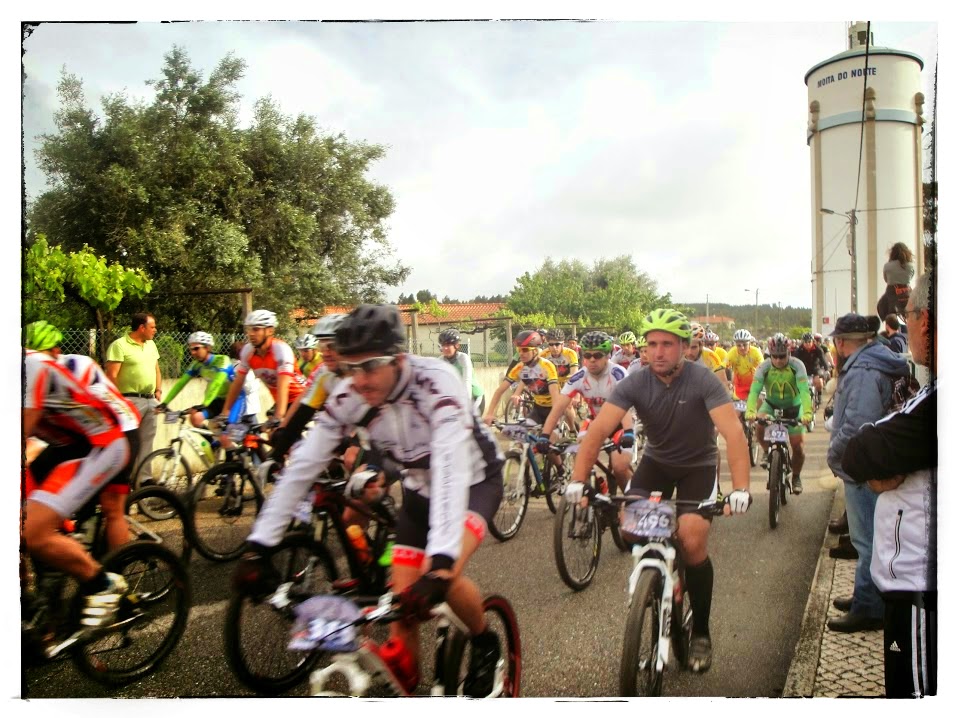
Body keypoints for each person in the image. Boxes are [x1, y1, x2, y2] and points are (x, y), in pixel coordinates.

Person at [233, 304, 505, 697]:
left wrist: (441, 565)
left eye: (370, 366)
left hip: (473, 483)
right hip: (418, 489)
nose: (358, 380)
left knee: (439, 577)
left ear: (398, 358)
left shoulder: (436, 381)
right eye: (349, 368)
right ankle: (405, 681)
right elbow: (305, 463)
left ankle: (484, 641)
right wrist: (259, 546)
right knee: (401, 603)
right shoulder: (352, 392)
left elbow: (450, 465)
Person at [566, 308, 752, 673]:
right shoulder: (636, 381)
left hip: (698, 465)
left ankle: (701, 632)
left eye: (667, 344)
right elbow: (598, 431)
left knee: (692, 538)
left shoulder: (703, 380)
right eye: (652, 344)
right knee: (630, 525)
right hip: (657, 462)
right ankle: (660, 576)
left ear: (683, 346)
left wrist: (741, 489)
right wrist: (577, 480)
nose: (658, 352)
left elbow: (733, 434)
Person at [841, 271, 936, 698]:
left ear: (926, 322)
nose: (906, 324)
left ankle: (866, 605)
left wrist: (879, 464)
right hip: (916, 579)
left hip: (919, 586)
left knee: (914, 691)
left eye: (909, 314)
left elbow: (860, 449)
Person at [22, 322, 137, 634]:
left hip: (108, 438)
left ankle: (108, 581)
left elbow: (24, 430)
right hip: (67, 443)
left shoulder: (36, 365)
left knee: (109, 510)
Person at [825, 313, 909, 633]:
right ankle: (866, 595)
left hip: (862, 465)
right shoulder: (877, 359)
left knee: (867, 541)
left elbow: (856, 427)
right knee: (871, 538)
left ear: (843, 342)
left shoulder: (862, 371)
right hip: (876, 460)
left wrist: (835, 457)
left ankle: (869, 608)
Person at [538, 331, 633, 489]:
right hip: (595, 421)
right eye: (587, 355)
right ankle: (593, 491)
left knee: (619, 467)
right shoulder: (579, 377)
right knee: (581, 463)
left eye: (597, 355)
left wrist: (629, 431)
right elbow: (558, 407)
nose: (592, 360)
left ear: (607, 356)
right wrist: (545, 435)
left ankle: (631, 499)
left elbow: (625, 406)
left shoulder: (618, 374)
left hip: (621, 423)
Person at [745, 333, 813, 494]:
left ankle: (796, 476)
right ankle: (766, 451)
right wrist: (750, 410)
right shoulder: (764, 367)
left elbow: (804, 391)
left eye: (782, 356)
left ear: (789, 353)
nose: (778, 360)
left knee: (798, 447)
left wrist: (807, 413)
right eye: (774, 356)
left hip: (794, 407)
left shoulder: (798, 366)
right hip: (771, 405)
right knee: (760, 427)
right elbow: (754, 391)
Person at [217, 309, 306, 432]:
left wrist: (278, 417)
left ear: (270, 330)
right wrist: (225, 413)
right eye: (248, 329)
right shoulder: (248, 351)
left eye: (256, 329)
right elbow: (237, 383)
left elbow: (283, 386)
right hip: (281, 401)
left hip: (300, 398)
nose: (251, 334)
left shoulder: (281, 350)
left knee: (279, 435)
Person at [105, 312, 161, 488]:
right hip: (129, 400)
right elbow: (112, 375)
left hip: (150, 399)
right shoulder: (119, 345)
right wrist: (118, 400)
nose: (155, 330)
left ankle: (144, 480)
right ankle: (124, 481)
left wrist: (158, 389)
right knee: (129, 443)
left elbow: (156, 369)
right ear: (141, 327)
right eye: (152, 327)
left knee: (147, 441)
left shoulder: (151, 345)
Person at [484, 330, 560, 429]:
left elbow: (555, 394)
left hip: (554, 406)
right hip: (538, 408)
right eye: (518, 350)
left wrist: (555, 416)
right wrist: (489, 414)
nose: (521, 353)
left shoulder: (547, 366)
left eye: (525, 350)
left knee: (549, 436)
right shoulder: (519, 368)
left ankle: (571, 430)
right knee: (522, 433)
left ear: (535, 351)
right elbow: (499, 391)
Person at [157, 332, 235, 428]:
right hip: (217, 400)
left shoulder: (222, 360)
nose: (193, 352)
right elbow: (181, 383)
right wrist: (165, 403)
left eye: (196, 348)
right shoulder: (197, 365)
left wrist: (205, 404)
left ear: (207, 348)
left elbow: (216, 383)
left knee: (227, 432)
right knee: (195, 418)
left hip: (234, 400)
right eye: (191, 349)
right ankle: (211, 438)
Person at [438, 328, 486, 415]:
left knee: (470, 421)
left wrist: (465, 404)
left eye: (448, 345)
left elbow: (466, 381)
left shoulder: (463, 358)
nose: (445, 348)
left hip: (473, 397)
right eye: (443, 345)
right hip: (455, 400)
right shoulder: (440, 361)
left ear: (456, 346)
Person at [877, 242, 915, 320]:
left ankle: (890, 323)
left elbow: (886, 279)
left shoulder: (887, 266)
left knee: (881, 306)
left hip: (892, 293)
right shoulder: (911, 266)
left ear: (892, 253)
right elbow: (911, 277)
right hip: (907, 293)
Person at [792, 332, 829, 408]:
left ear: (812, 341)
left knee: (819, 382)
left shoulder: (818, 349)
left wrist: (827, 369)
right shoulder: (799, 350)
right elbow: (794, 361)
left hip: (815, 369)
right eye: (806, 342)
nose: (808, 344)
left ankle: (819, 395)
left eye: (809, 342)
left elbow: (823, 360)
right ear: (803, 342)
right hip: (804, 370)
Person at [725, 329, 764, 401]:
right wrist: (728, 381)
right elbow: (723, 367)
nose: (742, 348)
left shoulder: (756, 352)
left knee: (759, 400)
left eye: (745, 345)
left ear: (749, 343)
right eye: (738, 345)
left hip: (754, 383)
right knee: (737, 405)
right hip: (739, 385)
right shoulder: (732, 352)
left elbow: (762, 367)